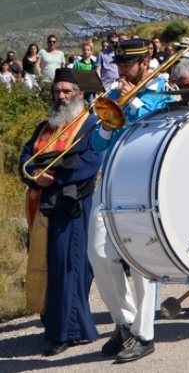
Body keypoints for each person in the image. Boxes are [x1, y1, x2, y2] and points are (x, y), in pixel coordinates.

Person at [88, 39, 175, 363]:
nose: (123, 70)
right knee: (97, 252)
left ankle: (144, 333)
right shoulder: (112, 96)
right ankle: (124, 323)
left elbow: (158, 130)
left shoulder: (161, 94)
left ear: (145, 62)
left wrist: (134, 100)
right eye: (120, 64)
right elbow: (97, 144)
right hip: (110, 180)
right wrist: (108, 126)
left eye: (129, 64)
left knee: (142, 261)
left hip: (142, 183)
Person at [19, 68, 104, 356]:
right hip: (43, 206)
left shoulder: (90, 124)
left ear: (79, 94)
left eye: (67, 91)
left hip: (73, 205)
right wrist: (33, 176)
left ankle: (65, 332)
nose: (61, 96)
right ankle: (67, 326)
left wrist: (52, 174)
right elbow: (25, 157)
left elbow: (92, 160)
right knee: (53, 265)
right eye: (57, 91)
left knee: (71, 266)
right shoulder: (45, 126)